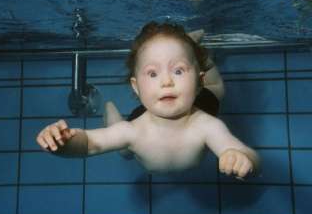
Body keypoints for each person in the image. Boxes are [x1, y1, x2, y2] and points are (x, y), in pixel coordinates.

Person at [36, 21, 259, 178]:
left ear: (198, 81)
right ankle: (113, 116)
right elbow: (89, 144)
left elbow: (248, 154)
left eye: (178, 71)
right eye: (153, 73)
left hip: (200, 102)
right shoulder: (133, 131)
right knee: (124, 151)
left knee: (217, 89)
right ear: (136, 86)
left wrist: (241, 158)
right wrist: (62, 144)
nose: (166, 82)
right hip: (137, 122)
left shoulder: (208, 126)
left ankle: (197, 52)